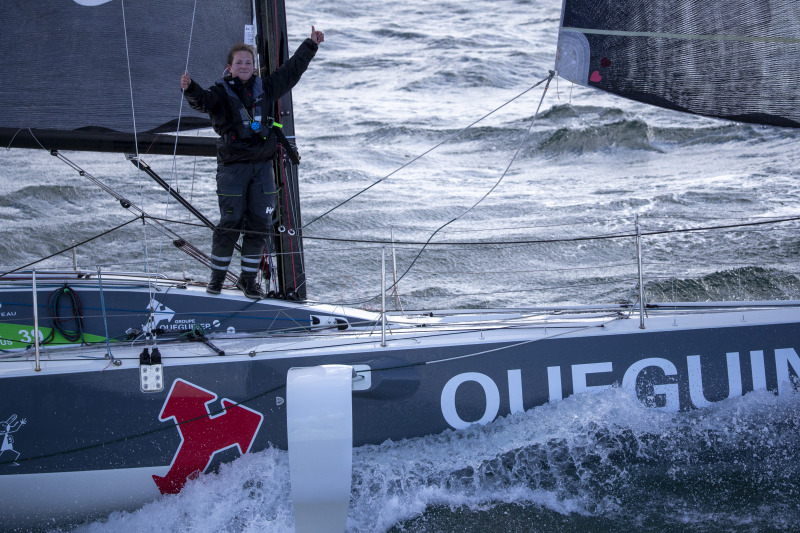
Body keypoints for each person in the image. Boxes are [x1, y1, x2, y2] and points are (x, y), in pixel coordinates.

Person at [180, 27, 324, 299]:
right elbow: (204, 102)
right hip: (233, 167)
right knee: (231, 221)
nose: (244, 66)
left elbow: (292, 71)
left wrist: (311, 45)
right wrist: (190, 89)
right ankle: (217, 279)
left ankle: (248, 281)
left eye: (249, 63)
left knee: (259, 223)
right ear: (230, 67)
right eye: (239, 63)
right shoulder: (220, 93)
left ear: (254, 67)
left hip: (261, 166)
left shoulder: (266, 87)